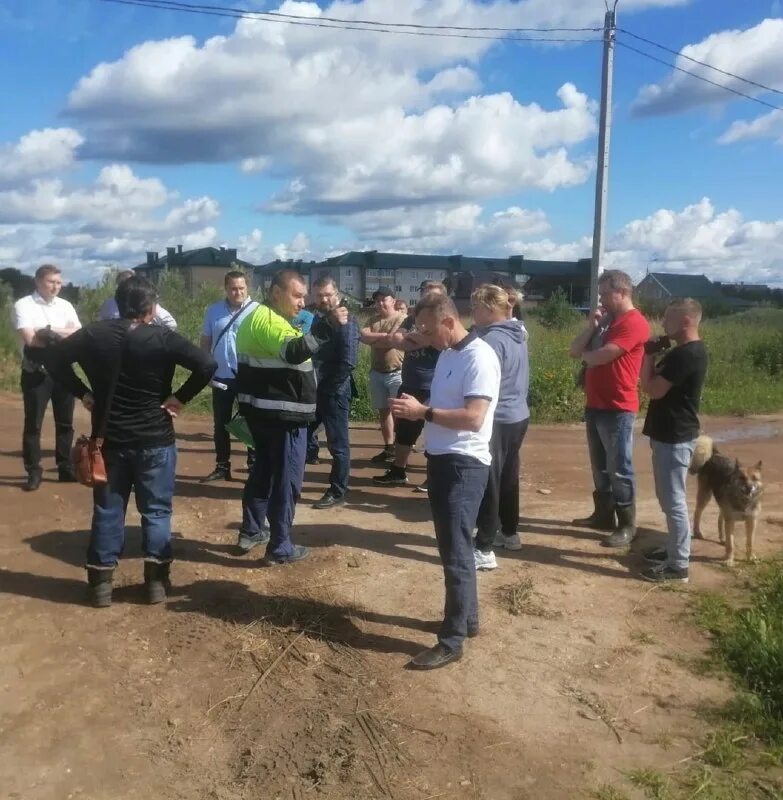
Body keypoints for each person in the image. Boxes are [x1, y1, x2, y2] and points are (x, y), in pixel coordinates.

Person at [41, 276, 216, 607]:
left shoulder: (94, 333)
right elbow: (207, 364)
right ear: (151, 307)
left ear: (118, 304)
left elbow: (53, 359)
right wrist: (179, 398)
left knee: (108, 509)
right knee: (157, 510)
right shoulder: (162, 337)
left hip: (108, 440)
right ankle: (155, 583)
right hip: (156, 438)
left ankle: (100, 585)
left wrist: (83, 392)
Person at [391, 292, 501, 670]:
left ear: (449, 323)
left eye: (427, 328)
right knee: (453, 548)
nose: (423, 335)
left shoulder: (479, 357)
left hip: (464, 466)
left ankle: (451, 640)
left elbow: (473, 417)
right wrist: (420, 409)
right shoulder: (449, 354)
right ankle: (466, 620)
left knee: (455, 553)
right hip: (442, 460)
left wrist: (424, 412)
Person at [236, 269, 348, 563]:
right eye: (297, 296)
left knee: (262, 473)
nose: (302, 303)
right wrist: (327, 326)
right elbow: (294, 352)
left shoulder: (254, 318)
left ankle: (251, 530)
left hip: (260, 414)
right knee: (287, 481)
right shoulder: (271, 322)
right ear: (276, 293)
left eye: (304, 297)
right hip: (284, 418)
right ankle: (280, 546)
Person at [569, 270, 650, 547]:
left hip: (618, 406)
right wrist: (592, 326)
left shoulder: (634, 322)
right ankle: (603, 515)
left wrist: (587, 358)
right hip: (596, 403)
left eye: (605, 293)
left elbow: (605, 355)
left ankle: (627, 524)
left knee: (619, 468)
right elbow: (574, 349)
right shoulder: (606, 321)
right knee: (600, 467)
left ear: (623, 292)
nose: (600, 299)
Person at [639, 298, 708, 583]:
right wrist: (653, 357)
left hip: (675, 436)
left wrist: (647, 357)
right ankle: (674, 549)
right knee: (668, 498)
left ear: (686, 321)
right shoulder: (683, 351)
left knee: (673, 500)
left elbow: (651, 389)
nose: (663, 324)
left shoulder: (686, 355)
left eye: (668, 319)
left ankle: (678, 565)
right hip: (671, 433)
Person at [471, 284, 531, 567]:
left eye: (475, 308)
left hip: (499, 417)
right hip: (518, 415)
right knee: (508, 477)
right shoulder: (517, 331)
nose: (472, 313)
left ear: (490, 309)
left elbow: (483, 380)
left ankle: (483, 547)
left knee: (490, 481)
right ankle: (509, 533)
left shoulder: (492, 340)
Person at [13, 264, 81, 491]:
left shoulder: (66, 305)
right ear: (38, 281)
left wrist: (49, 331)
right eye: (51, 282)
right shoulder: (24, 305)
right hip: (36, 369)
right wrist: (61, 333)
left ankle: (65, 467)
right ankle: (33, 471)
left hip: (62, 369)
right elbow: (31, 339)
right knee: (33, 424)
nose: (56, 287)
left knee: (65, 423)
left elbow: (78, 335)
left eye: (58, 282)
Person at [372, 280, 445, 490]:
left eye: (433, 296)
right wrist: (419, 337)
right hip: (410, 383)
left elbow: (433, 341)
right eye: (424, 294)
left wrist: (415, 338)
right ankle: (398, 471)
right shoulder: (413, 318)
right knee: (404, 431)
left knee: (434, 433)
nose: (427, 299)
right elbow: (396, 339)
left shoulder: (445, 320)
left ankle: (434, 476)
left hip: (433, 386)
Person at [306, 276, 360, 509]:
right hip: (315, 389)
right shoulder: (318, 319)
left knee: (338, 444)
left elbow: (348, 362)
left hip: (335, 391)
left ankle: (337, 491)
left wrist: (327, 388)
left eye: (328, 295)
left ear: (336, 294)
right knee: (303, 434)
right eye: (319, 295)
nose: (324, 299)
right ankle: (289, 480)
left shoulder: (346, 320)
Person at [199, 271, 258, 483]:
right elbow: (205, 341)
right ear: (226, 288)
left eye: (241, 288)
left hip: (249, 377)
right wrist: (204, 369)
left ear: (247, 288)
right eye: (233, 288)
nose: (238, 292)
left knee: (251, 422)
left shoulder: (257, 311)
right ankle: (222, 466)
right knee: (221, 423)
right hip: (221, 377)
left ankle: (254, 465)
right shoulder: (213, 311)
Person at [360, 288, 407, 463]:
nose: (380, 303)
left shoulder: (402, 319)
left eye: (384, 299)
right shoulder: (373, 319)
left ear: (393, 301)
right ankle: (389, 447)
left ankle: (402, 449)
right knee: (383, 412)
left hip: (397, 372)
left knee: (399, 413)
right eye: (377, 300)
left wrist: (376, 339)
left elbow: (392, 341)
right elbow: (363, 336)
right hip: (377, 373)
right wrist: (383, 336)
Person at [98, 270, 177, 330]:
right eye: (122, 284)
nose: (126, 288)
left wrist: (157, 339)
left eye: (129, 284)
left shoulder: (146, 302)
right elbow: (101, 324)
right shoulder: (109, 304)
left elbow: (171, 324)